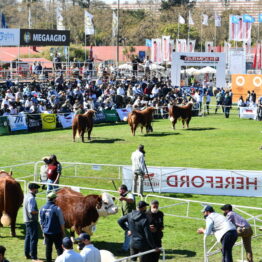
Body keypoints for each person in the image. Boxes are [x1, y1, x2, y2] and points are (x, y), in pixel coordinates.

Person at [40, 192, 65, 262]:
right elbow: (62, 222)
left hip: (47, 232)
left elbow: (41, 222)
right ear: (54, 199)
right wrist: (63, 232)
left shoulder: (42, 208)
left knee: (48, 249)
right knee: (59, 249)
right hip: (56, 232)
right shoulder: (57, 209)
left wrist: (43, 232)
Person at [23, 183, 42, 262]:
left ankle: (27, 254)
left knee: (28, 238)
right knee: (34, 239)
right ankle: (34, 257)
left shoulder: (26, 196)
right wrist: (39, 211)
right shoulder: (31, 198)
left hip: (27, 220)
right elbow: (32, 211)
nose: (37, 190)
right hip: (32, 221)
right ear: (34, 189)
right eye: (37, 189)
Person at [118, 184, 136, 252]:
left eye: (119, 190)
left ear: (123, 190)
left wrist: (123, 199)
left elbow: (131, 200)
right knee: (128, 232)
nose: (118, 191)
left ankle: (125, 248)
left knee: (128, 233)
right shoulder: (124, 196)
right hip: (126, 218)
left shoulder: (129, 194)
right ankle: (128, 247)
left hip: (131, 217)